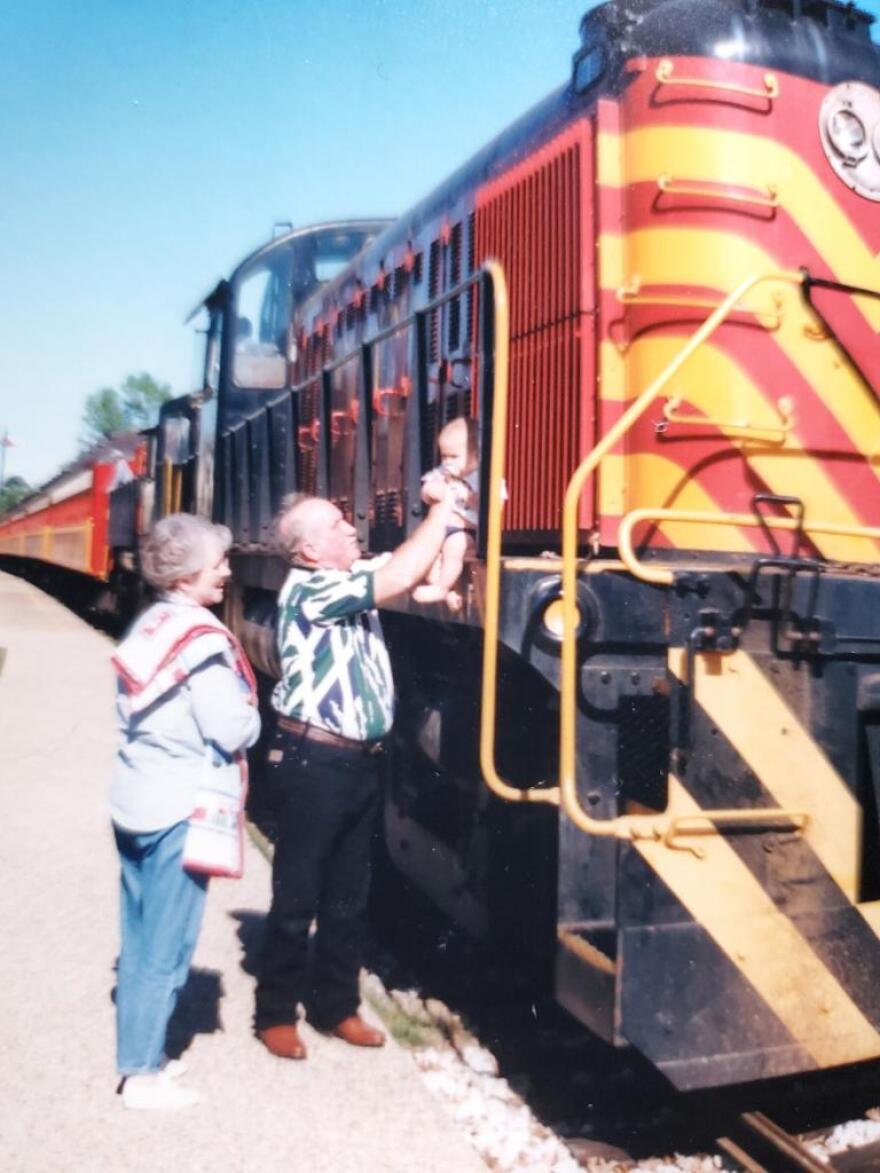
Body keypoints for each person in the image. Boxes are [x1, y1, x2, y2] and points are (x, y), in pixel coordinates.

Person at [254, 489, 455, 1060]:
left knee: (349, 893)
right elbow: (397, 575)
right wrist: (445, 508)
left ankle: (335, 1006)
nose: (352, 529)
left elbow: (403, 567)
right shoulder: (315, 588)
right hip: (313, 761)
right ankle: (274, 1012)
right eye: (338, 526)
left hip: (357, 760)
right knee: (298, 893)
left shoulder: (344, 575)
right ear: (311, 551)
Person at [110, 513, 260, 1110]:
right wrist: (253, 714)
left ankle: (145, 1054)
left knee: (139, 932)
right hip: (177, 805)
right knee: (164, 946)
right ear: (191, 571)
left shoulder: (152, 623)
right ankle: (140, 1073)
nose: (227, 571)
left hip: (134, 795)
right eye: (219, 562)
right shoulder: (199, 637)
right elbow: (230, 726)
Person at [412, 416, 480, 612]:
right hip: (440, 529)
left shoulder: (483, 477)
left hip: (465, 531)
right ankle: (445, 591)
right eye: (444, 456)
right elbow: (425, 490)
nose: (448, 462)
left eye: (454, 457)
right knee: (426, 556)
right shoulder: (442, 474)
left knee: (454, 548)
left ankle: (441, 587)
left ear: (475, 455)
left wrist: (469, 496)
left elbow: (493, 505)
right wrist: (430, 491)